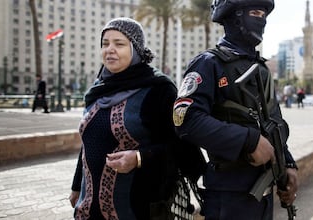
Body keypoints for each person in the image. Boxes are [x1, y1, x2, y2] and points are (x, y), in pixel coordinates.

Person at [172, 1, 298, 219]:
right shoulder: (209, 63)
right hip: (229, 196)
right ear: (235, 16)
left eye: (264, 15)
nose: (263, 20)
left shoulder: (262, 69)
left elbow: (272, 123)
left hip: (263, 198)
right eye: (256, 13)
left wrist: (287, 163)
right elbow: (185, 119)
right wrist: (248, 140)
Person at [69, 17, 181, 219]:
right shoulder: (98, 89)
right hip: (88, 208)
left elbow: (179, 147)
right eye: (105, 44)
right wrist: (76, 186)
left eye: (119, 44)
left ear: (136, 49)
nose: (109, 49)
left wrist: (139, 158)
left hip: (137, 207)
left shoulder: (159, 89)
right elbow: (88, 142)